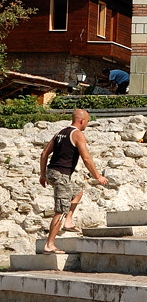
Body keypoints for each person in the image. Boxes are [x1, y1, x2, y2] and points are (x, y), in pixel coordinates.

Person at [39, 109, 108, 254]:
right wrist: (98, 176)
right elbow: (87, 158)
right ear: (82, 121)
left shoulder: (60, 132)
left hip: (52, 172)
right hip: (61, 175)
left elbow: (44, 153)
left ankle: (68, 222)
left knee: (77, 192)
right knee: (60, 211)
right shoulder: (77, 134)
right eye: (87, 122)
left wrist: (43, 174)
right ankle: (49, 245)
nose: (87, 124)